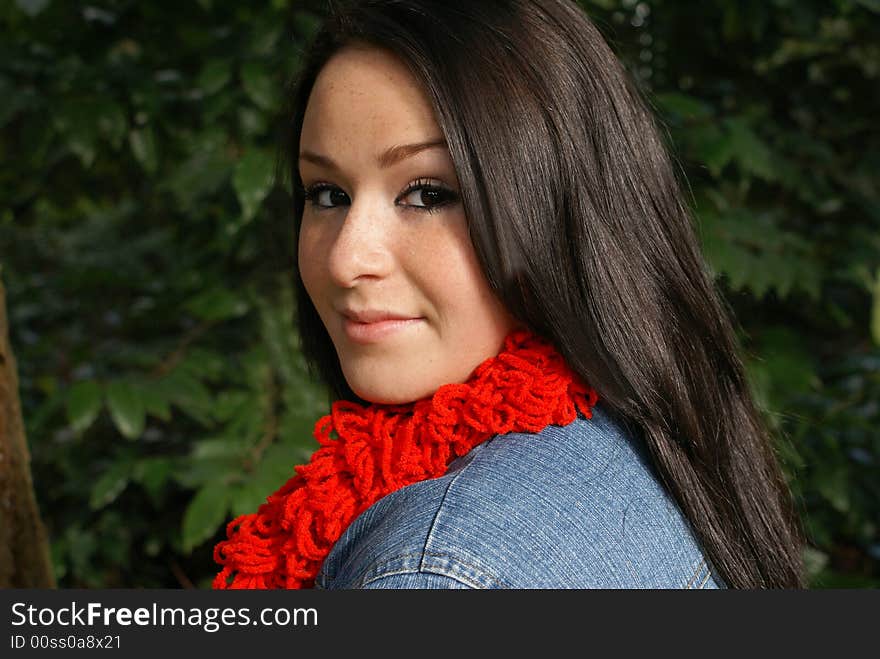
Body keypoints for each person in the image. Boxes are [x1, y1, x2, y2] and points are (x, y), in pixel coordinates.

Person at [212, 0, 805, 589]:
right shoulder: (647, 438)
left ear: (555, 206)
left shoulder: (438, 567)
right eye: (328, 194)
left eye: (426, 195)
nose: (346, 259)